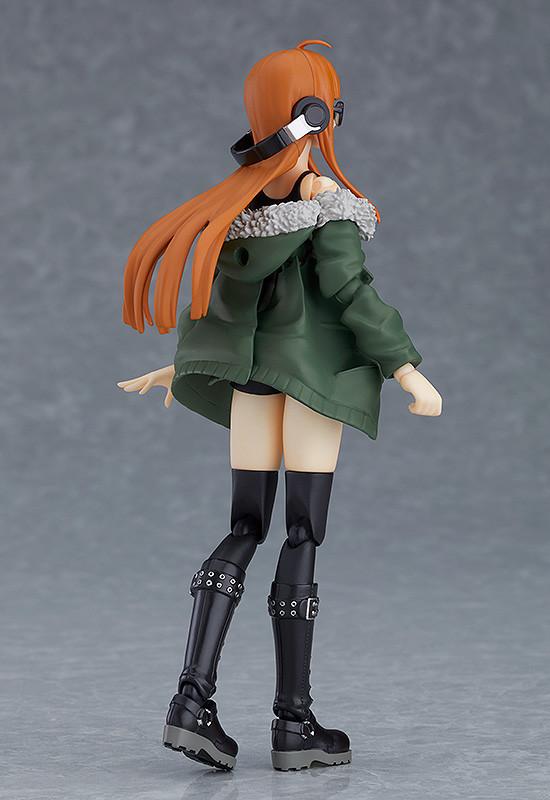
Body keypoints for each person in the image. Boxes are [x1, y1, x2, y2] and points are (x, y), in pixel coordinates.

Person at [118, 39, 442, 772]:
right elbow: (350, 292)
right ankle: (294, 723)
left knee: (244, 527)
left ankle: (191, 701)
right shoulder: (324, 203)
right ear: (315, 115)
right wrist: (405, 368)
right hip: (314, 384)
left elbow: (223, 309)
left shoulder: (241, 206)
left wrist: (181, 365)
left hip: (255, 385)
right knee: (302, 534)